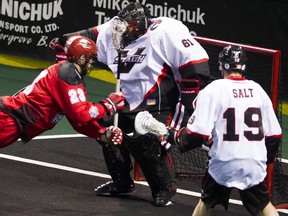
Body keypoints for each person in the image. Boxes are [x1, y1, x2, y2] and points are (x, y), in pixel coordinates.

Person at [50, 2, 213, 207]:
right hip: (127, 102)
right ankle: (122, 181)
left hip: (161, 105)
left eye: (132, 27)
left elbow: (196, 66)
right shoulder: (116, 29)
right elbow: (79, 37)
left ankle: (164, 188)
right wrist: (64, 43)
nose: (126, 32)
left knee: (146, 141)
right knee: (102, 125)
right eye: (124, 26)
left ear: (143, 23)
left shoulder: (165, 29)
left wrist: (191, 108)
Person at [165, 45, 282, 215]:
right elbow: (274, 135)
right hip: (254, 163)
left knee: (205, 203)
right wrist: (265, 161)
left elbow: (196, 134)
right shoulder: (258, 90)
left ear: (222, 65)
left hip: (224, 163)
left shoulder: (214, 89)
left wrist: (178, 138)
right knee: (264, 204)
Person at [0, 35, 125, 148]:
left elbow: (77, 120)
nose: (92, 62)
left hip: (12, 123)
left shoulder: (67, 73)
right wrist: (108, 105)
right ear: (81, 58)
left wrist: (102, 134)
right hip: (7, 120)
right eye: (90, 58)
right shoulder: (67, 73)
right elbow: (80, 114)